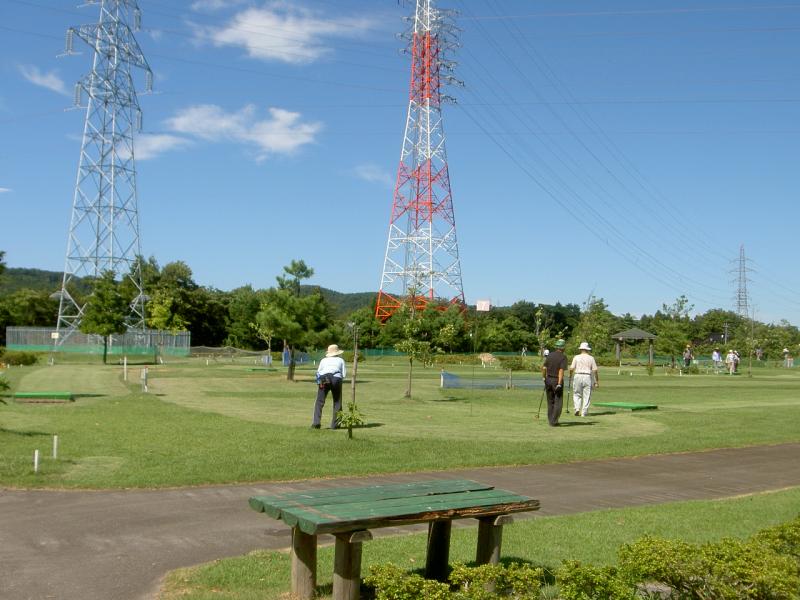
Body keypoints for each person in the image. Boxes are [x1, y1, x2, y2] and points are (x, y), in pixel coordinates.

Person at [311, 344, 347, 429]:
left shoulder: (323, 360)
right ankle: (335, 425)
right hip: (336, 378)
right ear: (337, 352)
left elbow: (318, 372)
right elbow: (344, 374)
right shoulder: (341, 360)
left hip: (323, 377)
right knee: (337, 402)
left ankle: (316, 423)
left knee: (319, 401)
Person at [541, 339, 567, 426]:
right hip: (556, 380)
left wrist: (544, 378)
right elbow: (561, 370)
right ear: (563, 348)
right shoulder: (563, 357)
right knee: (558, 401)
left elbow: (544, 368)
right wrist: (559, 383)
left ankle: (550, 419)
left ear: (556, 347)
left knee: (550, 401)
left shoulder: (550, 355)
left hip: (548, 379)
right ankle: (554, 421)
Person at [569, 341, 599, 417]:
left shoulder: (576, 357)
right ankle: (584, 412)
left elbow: (571, 368)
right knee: (587, 395)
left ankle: (577, 409)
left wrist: (570, 376)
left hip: (577, 375)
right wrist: (596, 381)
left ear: (581, 349)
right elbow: (595, 370)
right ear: (587, 349)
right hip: (587, 376)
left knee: (577, 394)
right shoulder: (591, 358)